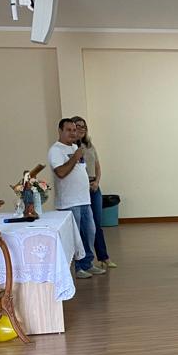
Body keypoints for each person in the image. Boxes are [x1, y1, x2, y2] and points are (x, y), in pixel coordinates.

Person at [49, 118, 101, 278]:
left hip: (84, 199)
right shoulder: (56, 150)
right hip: (69, 202)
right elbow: (61, 172)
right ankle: (78, 268)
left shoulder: (75, 147)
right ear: (60, 131)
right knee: (75, 236)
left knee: (90, 233)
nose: (73, 133)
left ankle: (87, 263)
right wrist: (75, 157)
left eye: (74, 130)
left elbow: (80, 171)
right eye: (69, 130)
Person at [71, 116, 116, 270]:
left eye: (83, 126)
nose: (81, 129)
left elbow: (97, 166)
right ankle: (83, 262)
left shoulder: (89, 146)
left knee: (96, 224)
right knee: (84, 226)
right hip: (79, 189)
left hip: (93, 186)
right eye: (78, 126)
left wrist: (96, 181)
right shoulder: (71, 147)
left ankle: (103, 257)